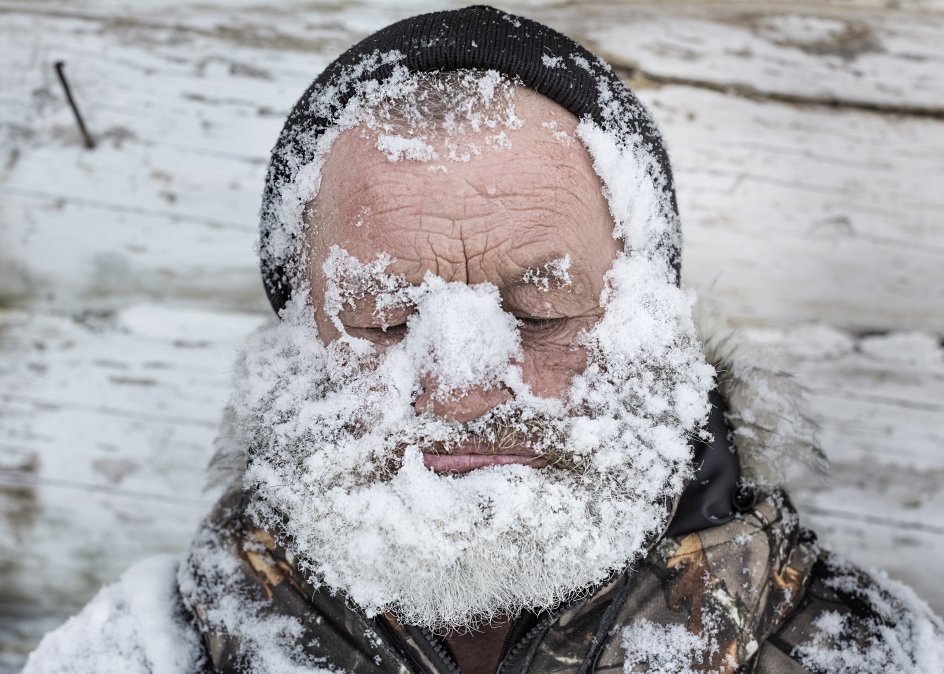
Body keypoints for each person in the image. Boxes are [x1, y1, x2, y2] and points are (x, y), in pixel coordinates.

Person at [23, 6, 944, 673]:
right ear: (297, 347)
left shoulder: (878, 655)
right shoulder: (131, 654)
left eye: (541, 313)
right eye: (385, 322)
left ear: (653, 321)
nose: (462, 384)